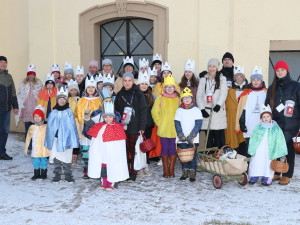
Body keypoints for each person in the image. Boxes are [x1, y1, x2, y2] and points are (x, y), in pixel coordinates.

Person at [265, 60, 300, 185]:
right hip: (277, 123)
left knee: (288, 149)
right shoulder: (272, 87)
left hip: (292, 123)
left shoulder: (296, 86)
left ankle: (287, 174)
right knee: (275, 148)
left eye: (282, 70)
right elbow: (267, 105)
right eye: (278, 71)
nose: (280, 72)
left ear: (287, 71)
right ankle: (276, 171)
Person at [87, 98, 129, 190]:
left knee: (112, 166)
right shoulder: (100, 126)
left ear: (113, 117)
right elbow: (95, 138)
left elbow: (119, 143)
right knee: (103, 167)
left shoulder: (117, 127)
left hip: (112, 153)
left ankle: (111, 182)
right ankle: (104, 182)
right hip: (102, 151)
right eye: (106, 117)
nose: (108, 119)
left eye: (110, 117)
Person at [114, 72, 147, 181]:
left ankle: (132, 173)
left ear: (133, 81)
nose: (127, 83)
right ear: (122, 82)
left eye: (129, 80)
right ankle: (124, 172)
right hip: (122, 127)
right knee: (123, 151)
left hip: (135, 127)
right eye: (125, 80)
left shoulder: (138, 94)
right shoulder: (119, 94)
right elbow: (116, 111)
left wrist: (142, 127)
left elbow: (143, 111)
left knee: (133, 152)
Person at [45, 87, 79, 182]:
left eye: (64, 99)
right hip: (56, 139)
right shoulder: (53, 112)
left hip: (66, 139)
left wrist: (71, 138)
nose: (61, 101)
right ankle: (57, 174)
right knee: (56, 157)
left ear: (66, 101)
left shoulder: (69, 112)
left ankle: (68, 174)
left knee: (67, 158)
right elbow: (50, 127)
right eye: (60, 99)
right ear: (57, 100)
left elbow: (72, 126)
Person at [248, 104, 287, 186]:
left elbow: (280, 140)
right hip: (258, 149)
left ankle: (267, 178)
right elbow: (253, 139)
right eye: (264, 117)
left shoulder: (275, 128)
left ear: (271, 117)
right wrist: (252, 149)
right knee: (256, 161)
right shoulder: (258, 127)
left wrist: (280, 151)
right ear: (261, 118)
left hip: (270, 149)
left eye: (268, 116)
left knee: (268, 163)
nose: (266, 118)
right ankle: (254, 176)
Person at [152, 74, 180, 178]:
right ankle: (165, 170)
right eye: (167, 87)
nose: (169, 89)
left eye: (171, 87)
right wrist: (160, 123)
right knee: (164, 149)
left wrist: (179, 125)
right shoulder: (160, 98)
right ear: (164, 88)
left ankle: (171, 170)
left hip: (174, 129)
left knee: (173, 149)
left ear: (174, 88)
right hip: (163, 129)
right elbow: (154, 112)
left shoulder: (178, 99)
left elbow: (181, 113)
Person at [235, 66, 267, 155]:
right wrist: (242, 122)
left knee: (261, 146)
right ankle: (249, 166)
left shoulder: (266, 93)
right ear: (251, 81)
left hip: (262, 124)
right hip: (249, 124)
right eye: (254, 80)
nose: (256, 82)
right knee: (250, 147)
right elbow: (242, 110)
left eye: (258, 79)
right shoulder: (246, 94)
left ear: (261, 81)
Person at [197, 58, 228, 149]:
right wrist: (202, 109)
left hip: (218, 112)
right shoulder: (203, 79)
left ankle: (218, 157)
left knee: (218, 138)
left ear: (217, 68)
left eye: (213, 66)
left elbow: (223, 93)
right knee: (208, 139)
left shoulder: (222, 79)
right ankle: (209, 158)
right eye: (210, 66)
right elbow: (199, 95)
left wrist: (218, 104)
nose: (211, 68)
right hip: (207, 112)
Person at [75, 76, 102, 178]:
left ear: (95, 88)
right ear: (86, 88)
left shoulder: (99, 100)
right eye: (88, 87)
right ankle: (86, 168)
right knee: (85, 149)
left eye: (92, 87)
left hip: (95, 129)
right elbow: (77, 114)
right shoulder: (81, 101)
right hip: (83, 129)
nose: (90, 89)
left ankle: (95, 168)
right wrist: (79, 127)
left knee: (94, 149)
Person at [175, 87, 202, 182]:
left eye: (189, 97)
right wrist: (180, 134)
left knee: (192, 156)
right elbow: (177, 123)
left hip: (193, 138)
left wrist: (192, 135)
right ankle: (185, 172)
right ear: (182, 99)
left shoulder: (196, 110)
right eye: (185, 98)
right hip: (182, 138)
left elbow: (198, 124)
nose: (187, 99)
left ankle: (192, 173)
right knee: (184, 156)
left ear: (192, 99)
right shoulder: (179, 110)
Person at [16, 64, 43, 153]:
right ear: (27, 75)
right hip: (26, 109)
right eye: (29, 74)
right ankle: (29, 146)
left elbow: (41, 97)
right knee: (28, 130)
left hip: (35, 109)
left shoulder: (39, 83)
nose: (31, 76)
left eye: (32, 74)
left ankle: (36, 146)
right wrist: (20, 107)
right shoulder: (23, 83)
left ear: (34, 75)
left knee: (36, 129)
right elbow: (20, 96)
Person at [224, 66, 248, 153]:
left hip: (244, 118)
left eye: (241, 77)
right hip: (232, 117)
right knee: (233, 137)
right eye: (237, 77)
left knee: (243, 138)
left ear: (243, 78)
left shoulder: (247, 90)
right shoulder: (230, 91)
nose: (239, 79)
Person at [136, 71, 155, 176]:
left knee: (146, 146)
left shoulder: (150, 95)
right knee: (138, 147)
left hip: (148, 124)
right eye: (142, 84)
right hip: (139, 125)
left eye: (146, 84)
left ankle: (146, 164)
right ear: (139, 84)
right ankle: (138, 166)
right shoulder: (136, 95)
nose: (144, 86)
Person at [24, 105, 50, 180]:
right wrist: (26, 149)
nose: (37, 118)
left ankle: (44, 174)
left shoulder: (46, 126)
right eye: (35, 116)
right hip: (35, 148)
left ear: (42, 117)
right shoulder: (32, 127)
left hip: (44, 148)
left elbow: (49, 137)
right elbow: (28, 138)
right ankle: (36, 173)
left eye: (39, 116)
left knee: (44, 161)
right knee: (36, 161)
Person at [0, 56, 18, 160]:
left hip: (7, 109)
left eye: (5, 62)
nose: (3, 64)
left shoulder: (9, 77)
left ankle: (2, 152)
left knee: (5, 131)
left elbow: (13, 92)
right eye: (1, 62)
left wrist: (15, 106)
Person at [67, 79, 80, 165]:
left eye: (75, 90)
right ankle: (70, 155)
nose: (73, 92)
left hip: (77, 122)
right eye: (71, 90)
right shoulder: (67, 100)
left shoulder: (80, 99)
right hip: (69, 122)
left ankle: (75, 155)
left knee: (76, 139)